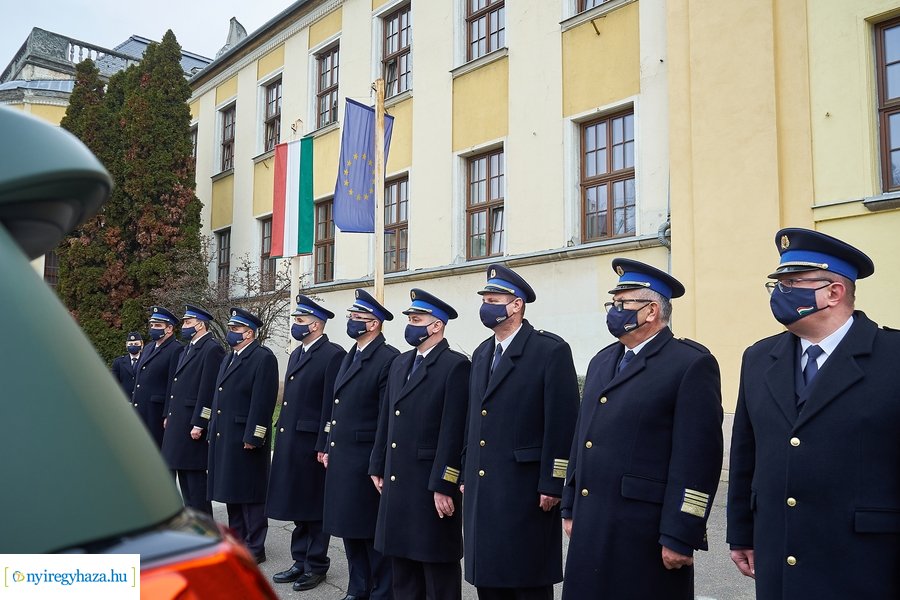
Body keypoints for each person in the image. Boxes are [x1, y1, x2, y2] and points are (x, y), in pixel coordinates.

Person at [727, 228, 900, 599]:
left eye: (792, 283)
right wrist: (741, 532)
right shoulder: (759, 358)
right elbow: (746, 454)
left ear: (834, 292)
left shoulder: (893, 357)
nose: (780, 294)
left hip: (865, 561)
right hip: (779, 555)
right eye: (777, 284)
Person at [560, 258, 723, 599]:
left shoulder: (689, 364)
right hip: (593, 521)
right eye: (613, 303)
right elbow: (583, 437)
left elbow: (698, 458)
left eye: (623, 304)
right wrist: (571, 504)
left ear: (651, 311)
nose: (614, 310)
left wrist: (682, 533)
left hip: (644, 530)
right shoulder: (603, 360)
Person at [463, 264, 580, 600]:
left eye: (494, 298)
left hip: (526, 486)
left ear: (516, 305)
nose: (486, 304)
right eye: (485, 298)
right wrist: (466, 466)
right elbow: (475, 418)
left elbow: (562, 422)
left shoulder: (549, 351)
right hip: (484, 484)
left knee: (526, 576)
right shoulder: (483, 352)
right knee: (489, 576)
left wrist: (554, 482)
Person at [370, 289, 470, 600]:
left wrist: (445, 483)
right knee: (403, 567)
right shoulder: (401, 363)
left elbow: (454, 431)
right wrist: (377, 464)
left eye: (417, 319)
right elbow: (386, 419)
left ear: (437, 325)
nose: (411, 324)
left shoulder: (455, 366)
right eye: (410, 319)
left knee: (436, 564)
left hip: (429, 484)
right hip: (399, 479)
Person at [322, 289, 399, 600]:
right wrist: (328, 443)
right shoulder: (351, 354)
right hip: (343, 454)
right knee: (349, 527)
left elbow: (386, 417)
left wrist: (377, 461)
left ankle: (381, 591)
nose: (351, 322)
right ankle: (358, 588)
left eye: (357, 318)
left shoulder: (387, 357)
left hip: (366, 455)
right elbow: (337, 405)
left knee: (369, 530)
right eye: (351, 317)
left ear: (374, 324)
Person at [268, 295, 345, 592]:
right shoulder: (297, 353)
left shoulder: (332, 354)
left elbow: (330, 404)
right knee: (296, 503)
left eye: (300, 321)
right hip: (291, 439)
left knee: (313, 506)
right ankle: (299, 560)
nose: (295, 325)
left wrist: (324, 442)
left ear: (315, 324)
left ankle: (316, 564)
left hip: (312, 441)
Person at [207, 307, 279, 564]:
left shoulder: (263, 358)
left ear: (249, 333)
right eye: (231, 329)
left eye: (235, 329)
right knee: (231, 492)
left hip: (246, 437)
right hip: (225, 434)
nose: (231, 333)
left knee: (251, 494)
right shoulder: (230, 357)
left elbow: (263, 401)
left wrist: (255, 436)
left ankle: (255, 546)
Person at [161, 304, 225, 515]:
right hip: (179, 420)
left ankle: (205, 529)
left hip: (192, 423)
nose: (184, 326)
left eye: (188, 322)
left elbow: (207, 389)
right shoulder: (188, 348)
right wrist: (169, 413)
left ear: (200, 324)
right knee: (184, 478)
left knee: (195, 481)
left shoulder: (211, 348)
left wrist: (200, 422)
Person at [132, 307, 182, 447]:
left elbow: (173, 384)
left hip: (157, 412)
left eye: (158, 325)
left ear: (169, 328)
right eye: (152, 325)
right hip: (141, 408)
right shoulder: (148, 348)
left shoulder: (176, 349)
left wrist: (168, 413)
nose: (153, 328)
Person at [111, 331, 143, 396]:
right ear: (126, 345)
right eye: (130, 344)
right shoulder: (118, 362)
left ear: (141, 344)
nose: (133, 346)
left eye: (136, 344)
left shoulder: (146, 360)